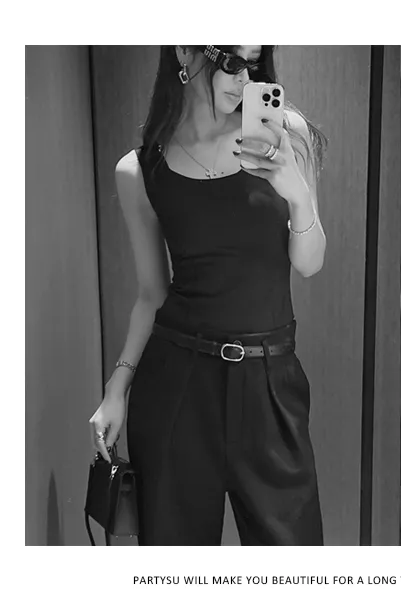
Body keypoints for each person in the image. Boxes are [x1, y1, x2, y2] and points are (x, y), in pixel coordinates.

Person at [85, 46, 326, 546]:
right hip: (177, 386)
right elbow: (152, 294)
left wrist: (298, 194)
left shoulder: (286, 135)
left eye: (254, 64)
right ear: (185, 50)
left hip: (269, 383)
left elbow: (309, 262)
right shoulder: (141, 169)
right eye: (232, 62)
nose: (245, 79)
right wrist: (116, 389)